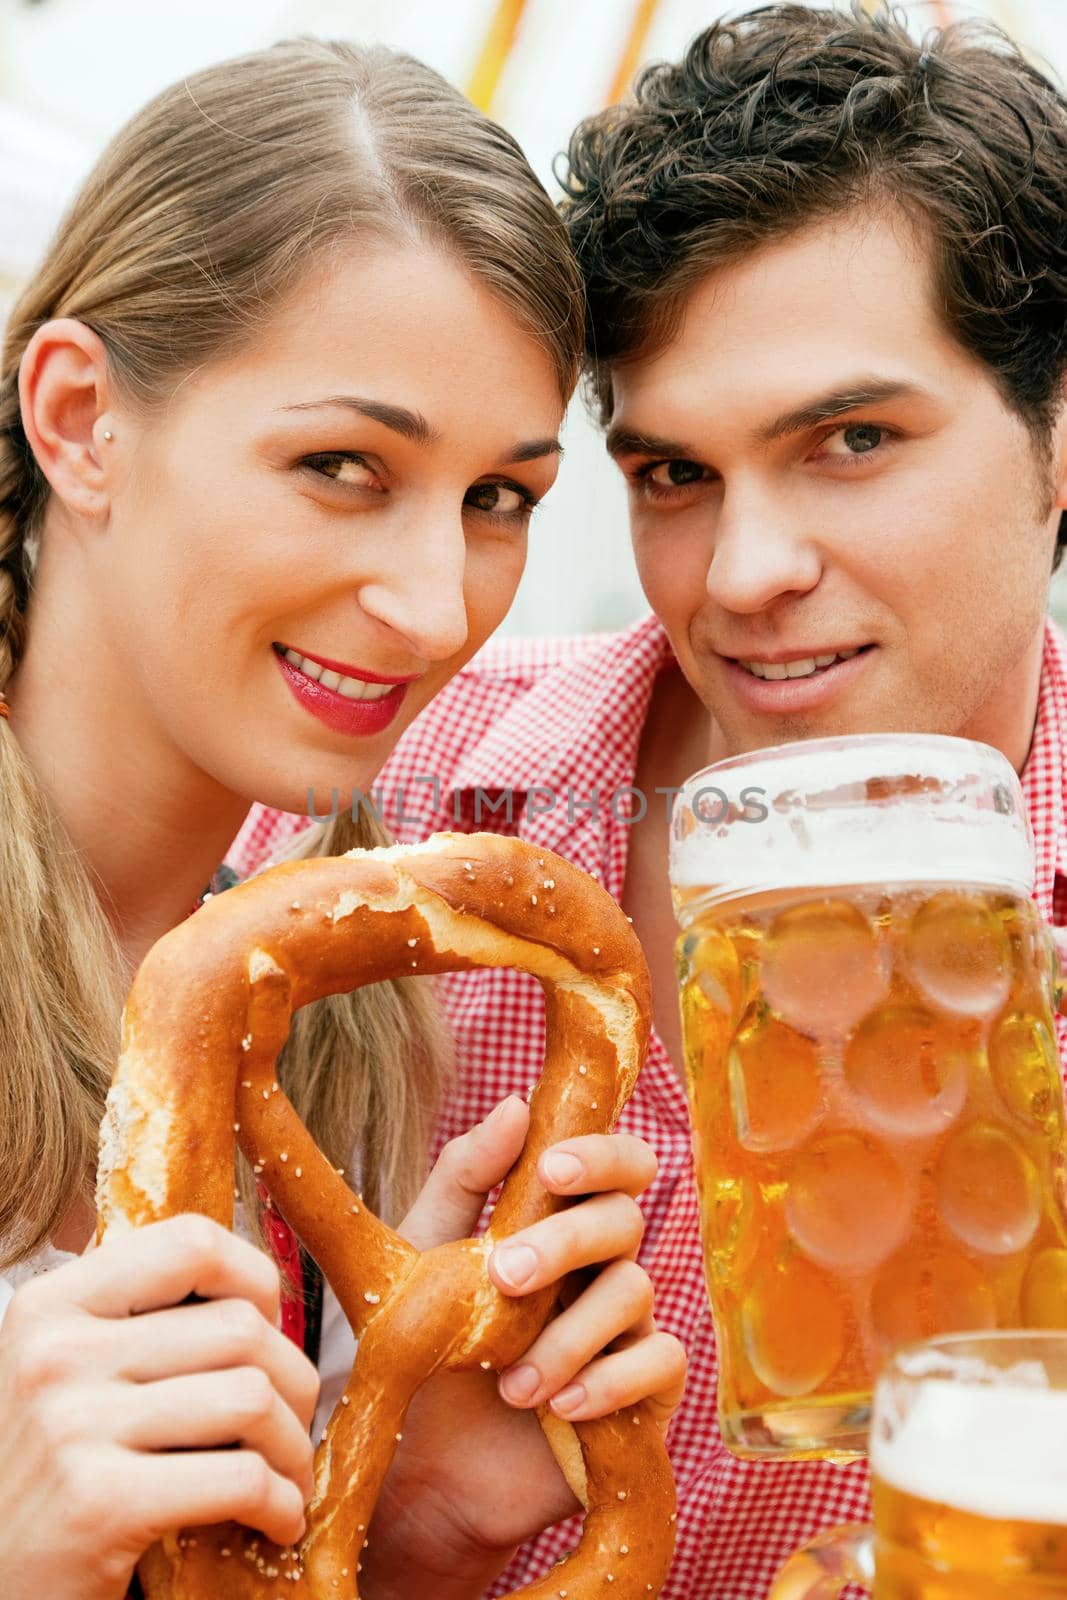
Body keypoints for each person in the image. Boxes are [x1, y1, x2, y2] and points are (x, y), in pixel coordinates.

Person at [238, 4, 1067, 1594]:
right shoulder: (376, 817)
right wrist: (403, 1517)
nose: (746, 575)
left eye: (853, 439)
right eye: (675, 474)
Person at [0, 37, 688, 1600]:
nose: (436, 601)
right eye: (340, 465)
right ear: (82, 418)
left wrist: (423, 1516)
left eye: (499, 497)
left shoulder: (365, 1025)